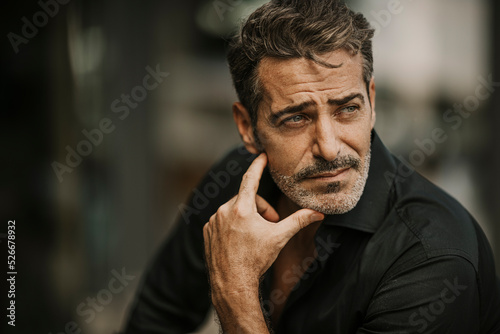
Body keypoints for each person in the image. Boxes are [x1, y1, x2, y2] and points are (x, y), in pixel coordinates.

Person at [123, 0, 500, 333]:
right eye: (296, 119)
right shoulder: (235, 185)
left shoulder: (432, 258)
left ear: (371, 101)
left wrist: (236, 296)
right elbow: (154, 319)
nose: (329, 147)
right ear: (247, 128)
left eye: (347, 109)